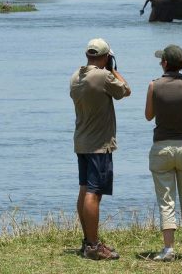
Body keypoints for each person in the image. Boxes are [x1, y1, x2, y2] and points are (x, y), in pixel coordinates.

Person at [70, 38, 131, 260]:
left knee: (85, 189)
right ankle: (94, 247)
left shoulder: (76, 76)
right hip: (99, 144)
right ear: (106, 56)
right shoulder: (104, 76)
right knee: (94, 194)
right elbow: (126, 90)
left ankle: (88, 241)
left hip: (82, 141)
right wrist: (113, 70)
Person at [145, 44, 182, 262]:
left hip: (162, 147)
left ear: (166, 63)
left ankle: (168, 248)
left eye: (162, 60)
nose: (160, 63)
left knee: (166, 200)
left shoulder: (153, 85)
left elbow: (148, 116)